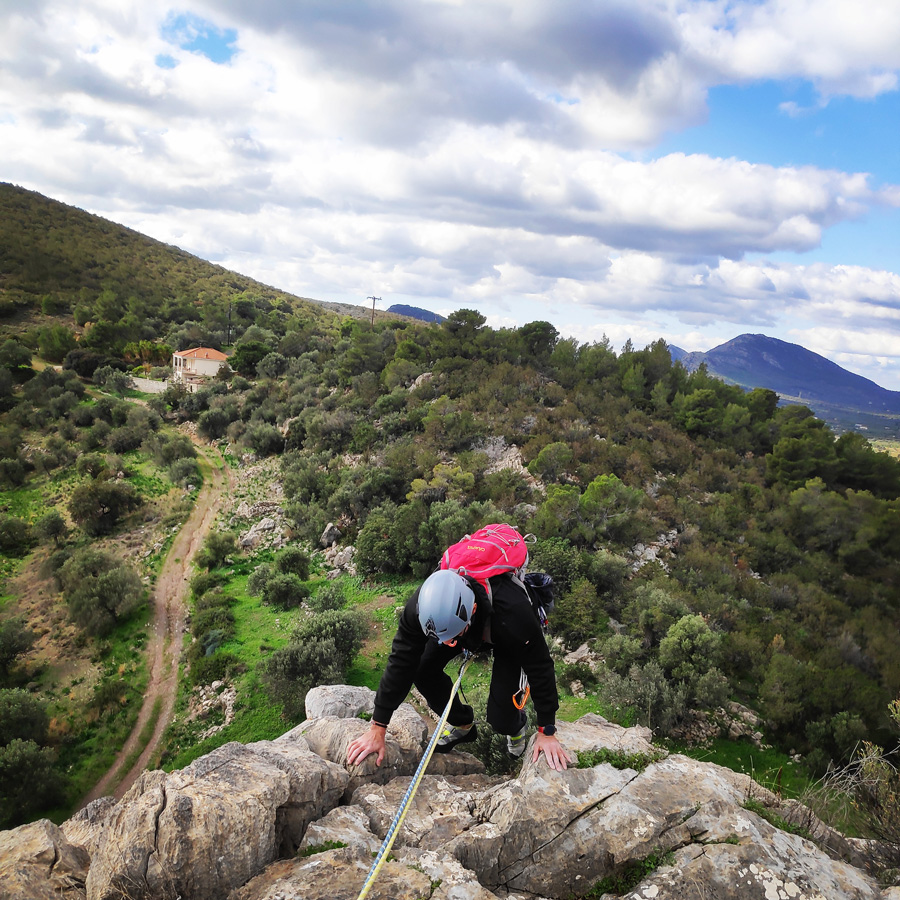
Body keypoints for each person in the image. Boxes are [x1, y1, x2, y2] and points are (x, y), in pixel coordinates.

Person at [346, 568, 574, 771]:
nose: (448, 644)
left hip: (503, 630)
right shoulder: (422, 606)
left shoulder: (515, 614)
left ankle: (517, 725)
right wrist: (378, 726)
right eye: (443, 639)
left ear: (473, 609)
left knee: (501, 719)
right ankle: (462, 723)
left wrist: (547, 731)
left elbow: (540, 667)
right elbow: (401, 661)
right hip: (460, 626)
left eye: (452, 637)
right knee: (422, 669)